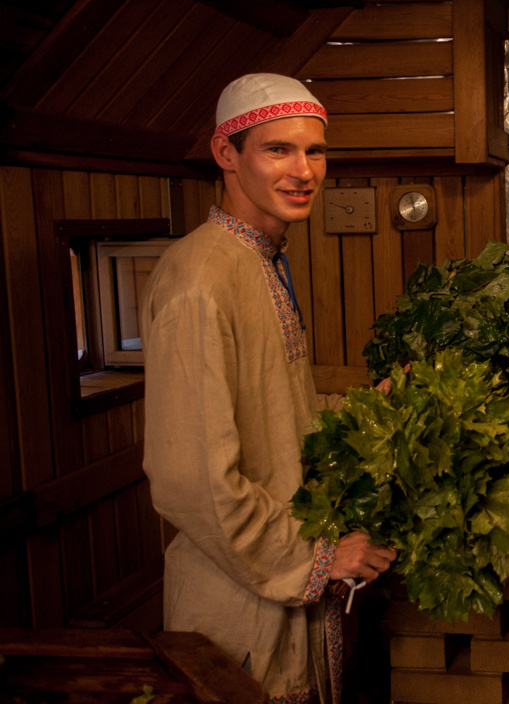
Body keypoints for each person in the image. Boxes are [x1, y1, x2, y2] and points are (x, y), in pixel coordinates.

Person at [141, 73, 397, 703]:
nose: (303, 170)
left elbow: (276, 413)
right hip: (239, 607)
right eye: (277, 149)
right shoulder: (199, 281)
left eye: (315, 151)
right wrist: (317, 559)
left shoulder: (260, 259)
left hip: (283, 594)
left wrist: (374, 406)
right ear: (226, 154)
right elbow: (191, 479)